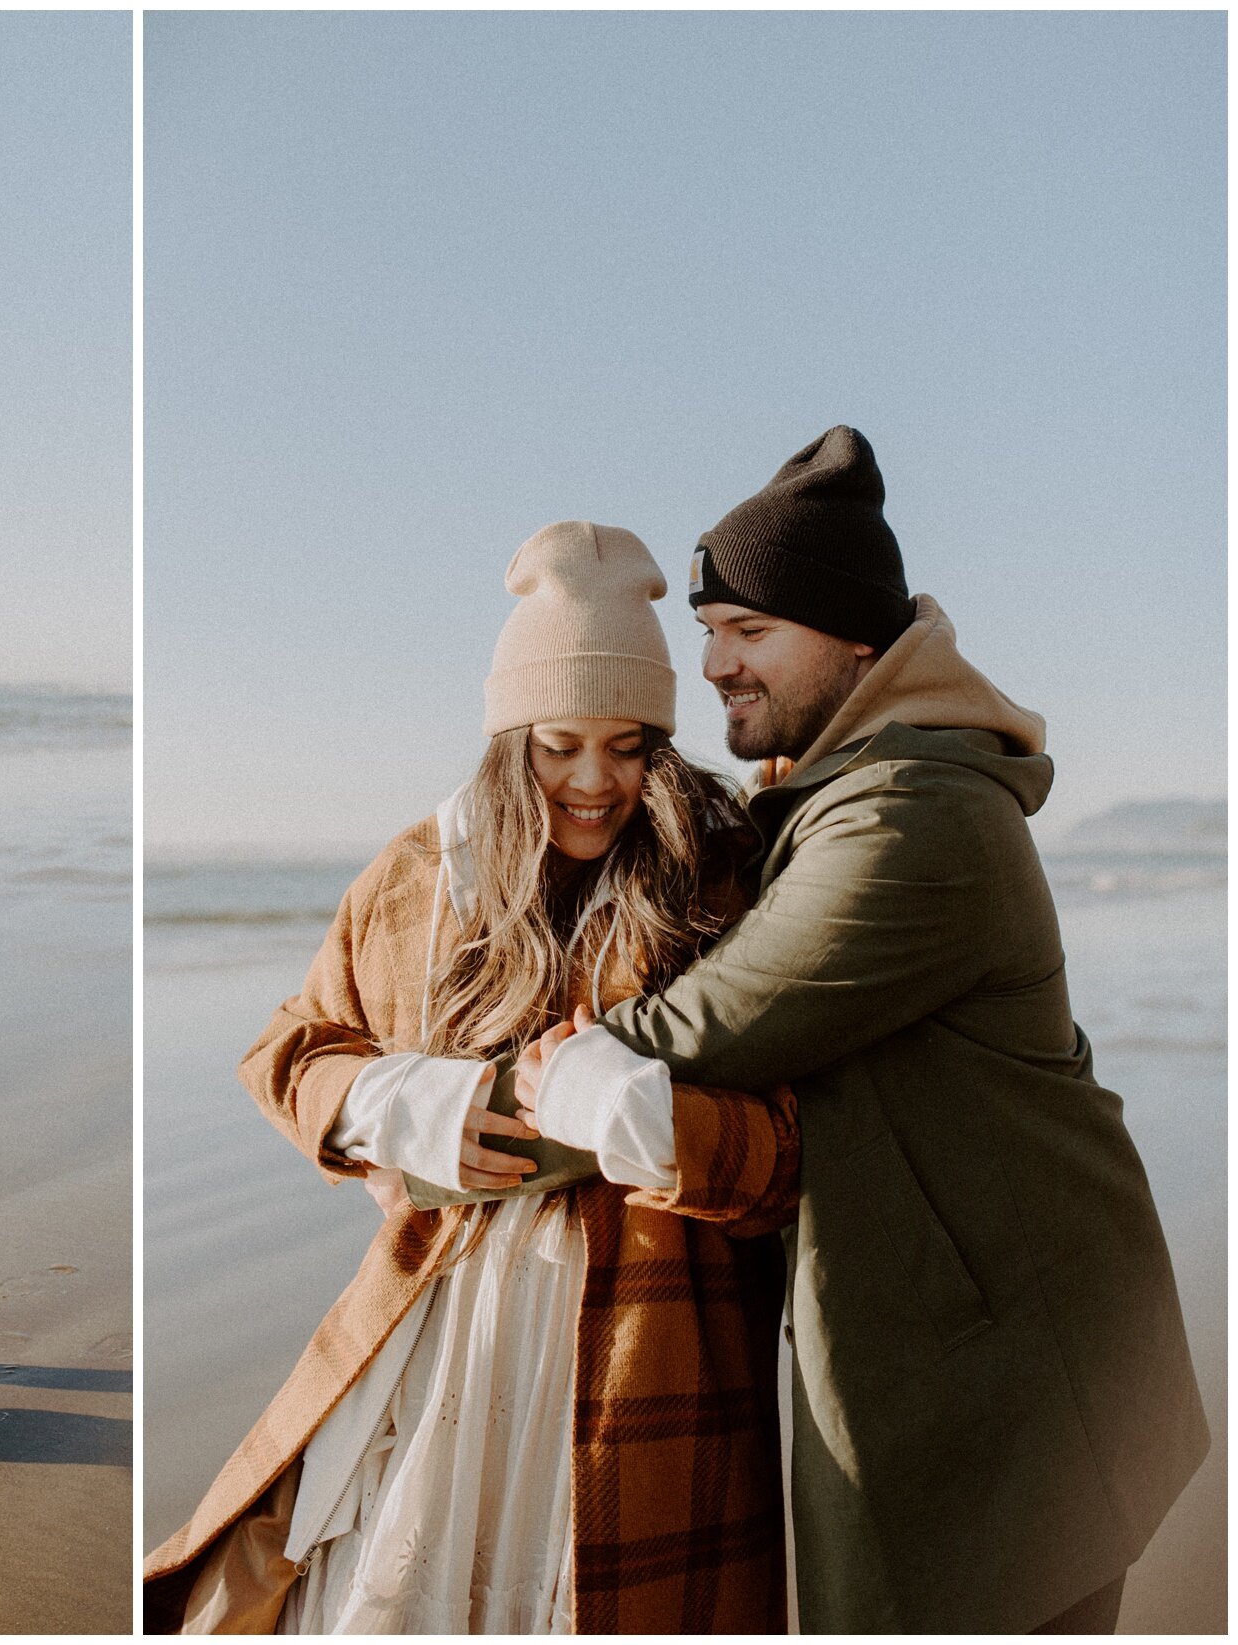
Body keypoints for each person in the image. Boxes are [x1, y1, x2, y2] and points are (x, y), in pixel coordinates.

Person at [516, 428, 1207, 1634]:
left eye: (748, 630)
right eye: (708, 628)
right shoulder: (838, 789)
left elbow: (707, 1026)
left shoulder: (912, 814)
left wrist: (494, 1097)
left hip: (1022, 1373)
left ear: (852, 638)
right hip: (961, 1332)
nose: (714, 663)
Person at [144, 522, 802, 1633]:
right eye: (557, 744)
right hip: (437, 1339)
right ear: (506, 736)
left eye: (629, 744)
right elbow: (291, 1048)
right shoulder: (417, 875)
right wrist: (390, 1107)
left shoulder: (719, 875)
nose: (594, 781)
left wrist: (650, 1121)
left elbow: (788, 1152)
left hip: (650, 1361)